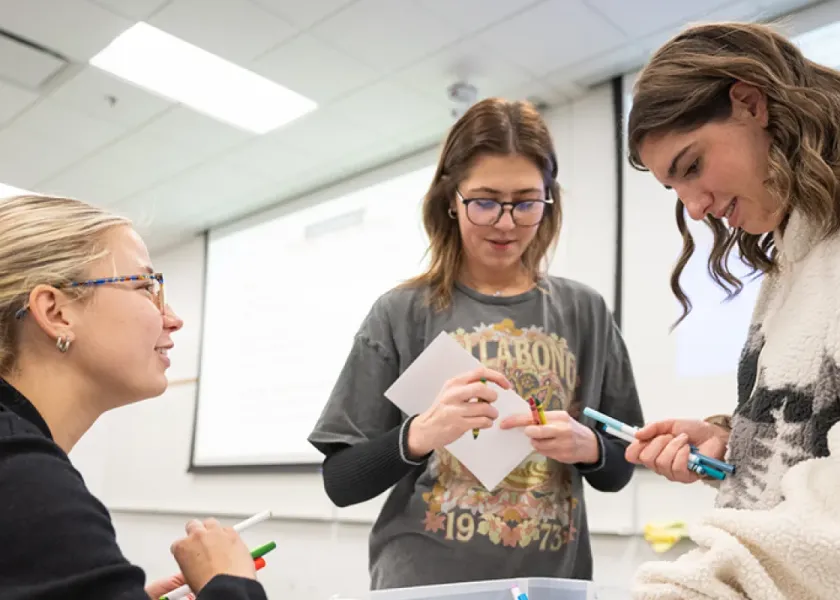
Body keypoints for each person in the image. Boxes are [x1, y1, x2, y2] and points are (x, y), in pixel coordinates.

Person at [308, 98, 644, 590]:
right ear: (451, 198)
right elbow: (340, 482)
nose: (506, 224)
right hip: (424, 585)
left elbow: (619, 469)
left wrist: (591, 447)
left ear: (549, 200)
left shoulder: (585, 311)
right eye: (485, 201)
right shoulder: (401, 312)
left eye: (526, 202)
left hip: (548, 585)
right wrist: (419, 434)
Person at [624, 21, 840, 599]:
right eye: (675, 189)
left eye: (691, 166)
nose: (696, 210)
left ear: (750, 103)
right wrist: (733, 438)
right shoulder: (799, 252)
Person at [0, 194, 267, 600]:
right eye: (146, 286)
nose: (173, 319)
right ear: (56, 313)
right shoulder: (26, 480)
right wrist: (230, 584)